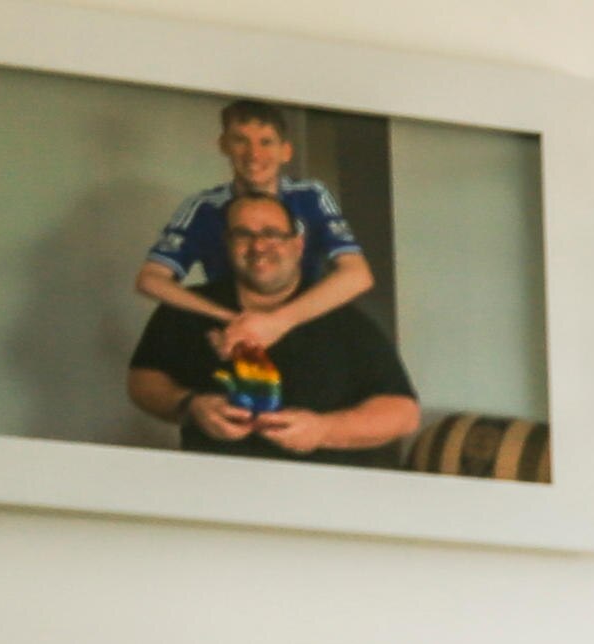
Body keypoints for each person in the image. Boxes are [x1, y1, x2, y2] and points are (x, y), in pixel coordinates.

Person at [123, 191, 417, 464]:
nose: (259, 245)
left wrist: (323, 430)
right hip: (213, 492)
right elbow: (143, 381)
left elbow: (403, 413)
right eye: (243, 234)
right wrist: (189, 406)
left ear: (298, 244)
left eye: (272, 234)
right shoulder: (187, 309)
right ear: (228, 244)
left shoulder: (344, 319)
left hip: (322, 497)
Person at [132, 98, 374, 358]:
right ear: (223, 145)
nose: (253, 154)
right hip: (235, 334)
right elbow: (150, 279)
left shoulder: (311, 196)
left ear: (286, 151)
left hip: (304, 326)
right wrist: (230, 316)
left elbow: (357, 275)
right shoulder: (203, 207)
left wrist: (277, 322)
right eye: (240, 140)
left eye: (266, 142)